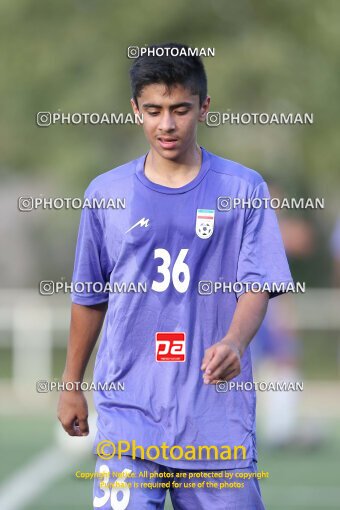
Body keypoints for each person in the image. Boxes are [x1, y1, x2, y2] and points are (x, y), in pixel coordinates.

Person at [57, 42, 293, 510]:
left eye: (180, 109)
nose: (166, 124)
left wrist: (235, 342)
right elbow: (89, 295)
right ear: (135, 110)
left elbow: (257, 285)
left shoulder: (242, 189)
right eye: (154, 110)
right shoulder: (106, 193)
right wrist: (70, 383)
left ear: (204, 106)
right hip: (129, 419)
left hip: (215, 423)